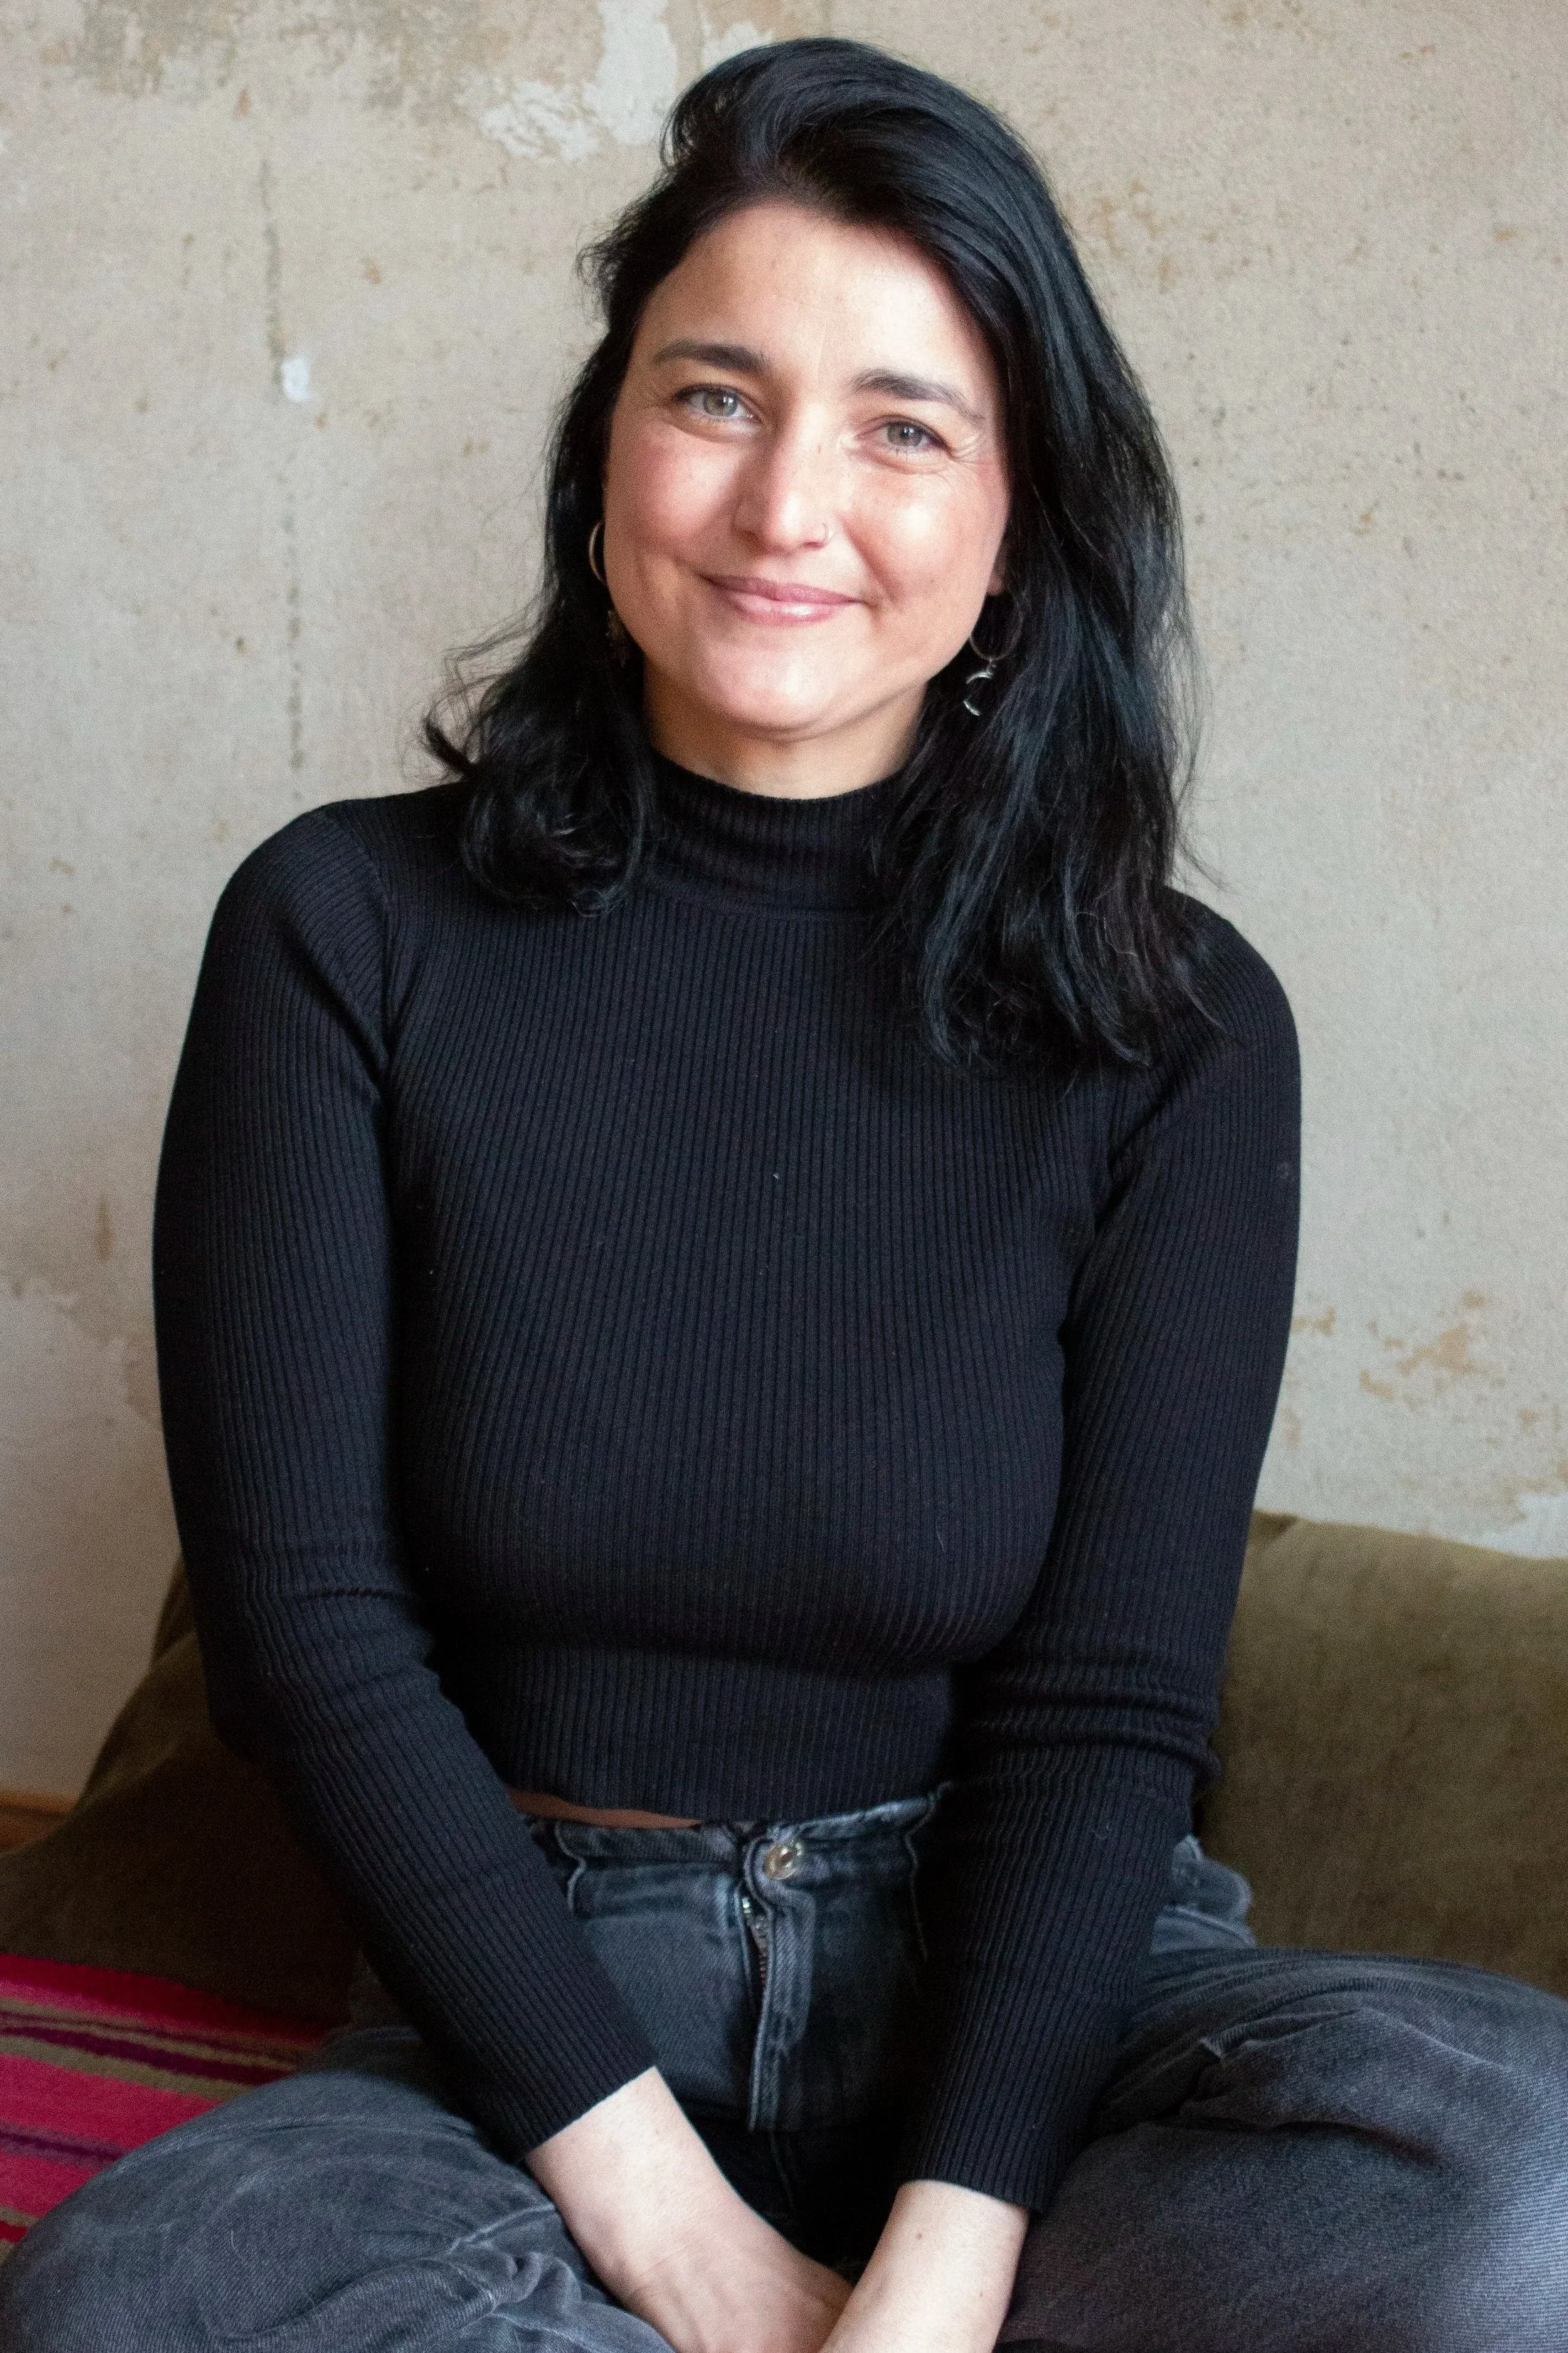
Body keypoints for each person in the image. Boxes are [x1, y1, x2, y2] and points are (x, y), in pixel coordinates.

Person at [5, 37, 1564, 2353]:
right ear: (604, 444)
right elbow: (306, 1644)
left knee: (1510, 2199)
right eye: (712, 396)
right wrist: (686, 2247)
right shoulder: (344, 935)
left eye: (901, 426)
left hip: (1031, 1988)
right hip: (518, 2018)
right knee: (136, 2305)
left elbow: (1108, 1711)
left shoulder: (1176, 1024)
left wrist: (936, 2277)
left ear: (1021, 507)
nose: (783, 508)